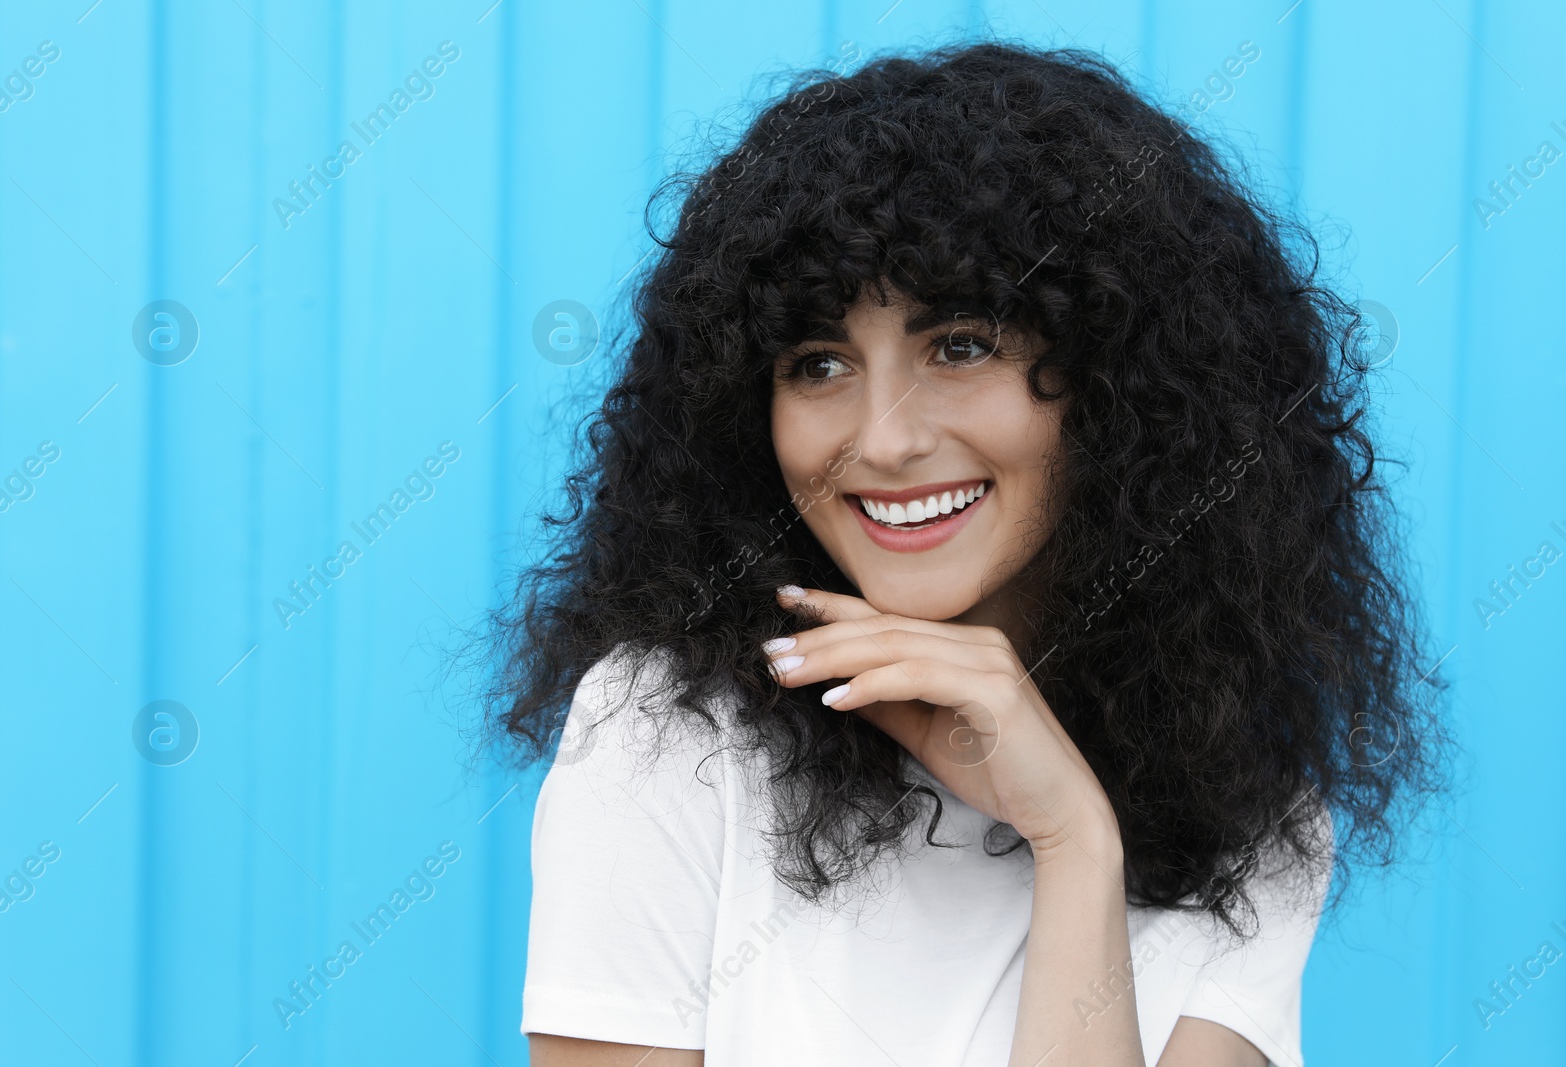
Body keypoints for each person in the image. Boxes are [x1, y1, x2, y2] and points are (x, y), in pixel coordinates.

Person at [477, 39, 1447, 1067]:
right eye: (817, 362)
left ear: (1119, 386)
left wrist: (1073, 838)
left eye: (960, 345)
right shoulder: (667, 734)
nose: (885, 439)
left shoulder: (1250, 808)